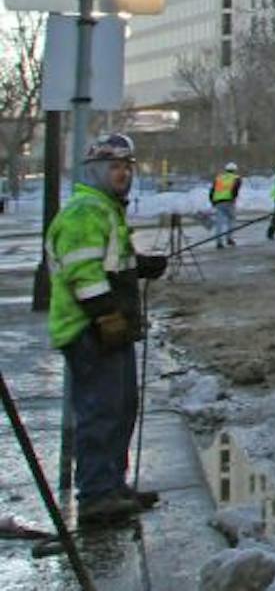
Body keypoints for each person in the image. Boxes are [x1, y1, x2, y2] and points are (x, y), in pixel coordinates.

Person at [45, 133, 167, 529]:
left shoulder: (106, 210)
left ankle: (112, 484)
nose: (123, 174)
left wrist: (141, 265)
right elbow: (84, 274)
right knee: (101, 411)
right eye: (115, 167)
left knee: (121, 407)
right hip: (89, 330)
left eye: (127, 167)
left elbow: (112, 262)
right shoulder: (85, 212)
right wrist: (105, 317)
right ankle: (97, 494)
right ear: (96, 171)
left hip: (110, 329)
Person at [207, 162, 242, 248]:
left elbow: (212, 190)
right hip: (229, 202)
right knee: (231, 220)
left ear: (226, 170)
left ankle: (219, 242)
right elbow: (235, 190)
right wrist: (234, 198)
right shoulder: (236, 178)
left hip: (218, 202)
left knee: (219, 222)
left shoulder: (219, 178)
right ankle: (229, 238)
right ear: (235, 170)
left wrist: (212, 201)